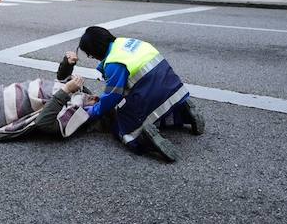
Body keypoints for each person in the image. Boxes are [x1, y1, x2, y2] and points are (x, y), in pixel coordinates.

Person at [77, 26, 205, 162]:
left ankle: (143, 137)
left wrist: (93, 111)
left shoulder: (114, 63)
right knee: (155, 105)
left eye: (90, 54)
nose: (92, 57)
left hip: (153, 96)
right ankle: (183, 112)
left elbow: (112, 97)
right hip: (174, 89)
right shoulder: (127, 43)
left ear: (95, 51)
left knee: (121, 125)